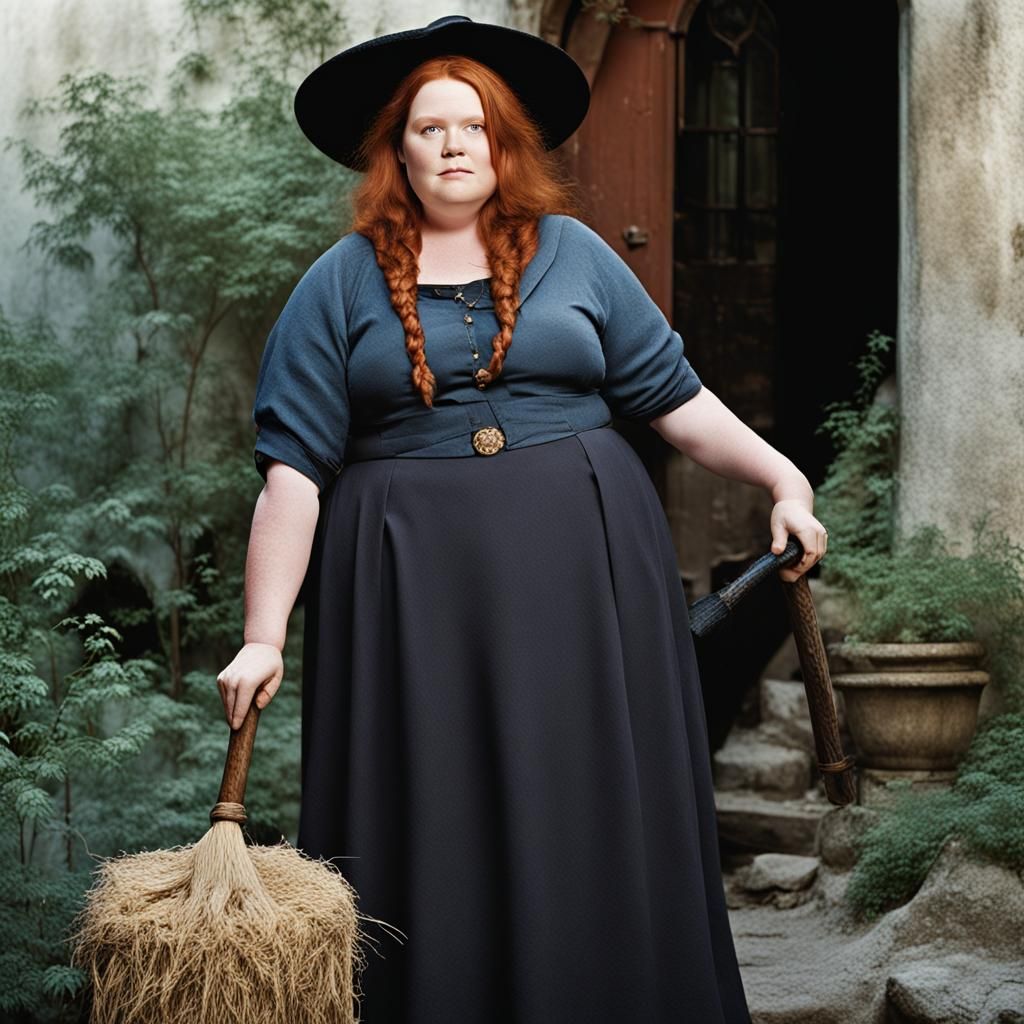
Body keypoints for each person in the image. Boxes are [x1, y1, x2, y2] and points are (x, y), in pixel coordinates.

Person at [216, 14, 826, 1023]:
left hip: (584, 579)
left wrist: (781, 479)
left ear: (506, 145)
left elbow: (676, 400)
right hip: (409, 595)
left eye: (476, 126)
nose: (455, 145)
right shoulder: (336, 284)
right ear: (395, 150)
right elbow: (293, 476)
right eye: (430, 128)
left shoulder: (577, 257)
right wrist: (260, 634)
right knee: (430, 813)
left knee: (584, 797)